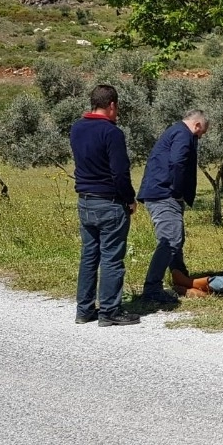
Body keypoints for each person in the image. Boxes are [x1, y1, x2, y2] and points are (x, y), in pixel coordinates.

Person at [69, 84, 140, 327]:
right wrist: (130, 199)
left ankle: (84, 309)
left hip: (85, 200)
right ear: (112, 105)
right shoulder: (112, 133)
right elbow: (120, 172)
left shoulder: (77, 128)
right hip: (109, 202)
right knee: (111, 257)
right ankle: (109, 310)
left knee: (89, 256)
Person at [137, 109, 209, 302]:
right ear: (197, 125)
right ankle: (152, 289)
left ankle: (181, 278)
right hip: (164, 195)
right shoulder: (183, 134)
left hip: (160, 192)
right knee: (170, 240)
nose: (199, 138)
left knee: (176, 238)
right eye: (201, 134)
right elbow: (178, 162)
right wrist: (177, 191)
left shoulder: (176, 131)